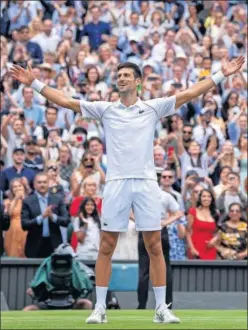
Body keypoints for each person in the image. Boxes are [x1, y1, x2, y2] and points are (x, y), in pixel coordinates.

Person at [11, 54, 244, 324]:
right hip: (116, 184)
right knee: (107, 246)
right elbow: (66, 101)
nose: (120, 78)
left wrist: (221, 74)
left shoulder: (154, 107)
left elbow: (190, 92)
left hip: (146, 184)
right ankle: (99, 308)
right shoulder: (106, 109)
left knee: (154, 245)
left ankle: (161, 308)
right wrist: (35, 83)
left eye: (125, 75)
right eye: (118, 75)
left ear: (138, 82)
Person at [21, 172, 70, 258]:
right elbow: (24, 225)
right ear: (34, 185)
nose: (42, 185)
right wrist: (41, 218)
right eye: (39, 182)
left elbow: (66, 221)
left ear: (49, 183)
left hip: (54, 245)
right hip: (34, 246)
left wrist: (53, 217)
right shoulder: (27, 201)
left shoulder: (58, 199)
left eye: (44, 182)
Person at [187, 189, 218, 260]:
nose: (206, 198)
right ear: (200, 198)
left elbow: (218, 232)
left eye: (209, 196)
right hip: (195, 248)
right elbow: (188, 231)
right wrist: (192, 248)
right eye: (204, 196)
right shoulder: (193, 211)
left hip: (210, 248)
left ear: (212, 199)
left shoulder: (215, 214)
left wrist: (215, 239)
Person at [4, 178, 28, 257]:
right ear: (11, 190)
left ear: (24, 187)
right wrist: (16, 198)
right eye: (14, 187)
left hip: (26, 231)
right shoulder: (8, 201)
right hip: (12, 231)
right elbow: (9, 213)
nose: (17, 188)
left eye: (19, 186)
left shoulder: (30, 200)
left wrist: (23, 198)